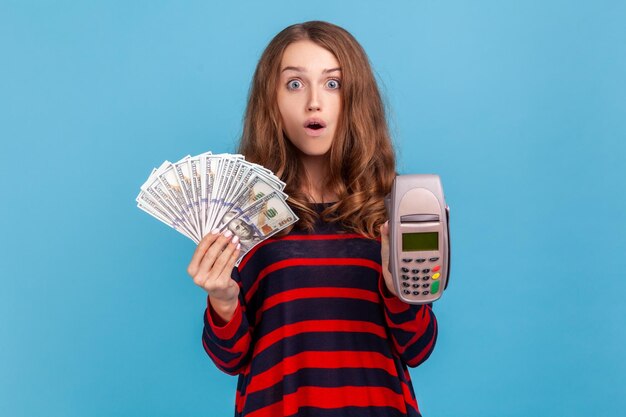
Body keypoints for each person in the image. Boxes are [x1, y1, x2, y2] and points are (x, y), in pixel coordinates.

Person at [186, 21, 438, 417]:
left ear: (356, 98)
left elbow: (418, 349)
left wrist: (398, 289)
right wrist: (222, 300)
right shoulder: (245, 216)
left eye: (333, 84)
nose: (314, 103)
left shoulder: (392, 211)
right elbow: (229, 360)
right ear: (271, 101)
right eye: (295, 84)